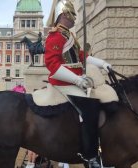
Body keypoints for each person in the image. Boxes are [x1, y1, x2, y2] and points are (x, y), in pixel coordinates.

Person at [44, 0, 113, 167]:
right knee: (89, 109)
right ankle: (90, 155)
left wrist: (102, 63)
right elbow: (52, 65)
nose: (74, 18)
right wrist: (77, 79)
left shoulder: (68, 35)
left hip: (75, 80)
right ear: (63, 15)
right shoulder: (55, 36)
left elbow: (82, 56)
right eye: (72, 14)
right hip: (63, 81)